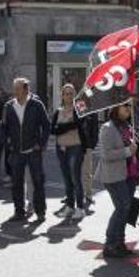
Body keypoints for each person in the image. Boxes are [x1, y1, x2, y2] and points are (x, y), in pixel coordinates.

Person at [2, 77, 52, 223]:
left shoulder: (36, 104)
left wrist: (41, 143)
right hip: (17, 151)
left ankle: (40, 212)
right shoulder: (8, 106)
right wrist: (8, 144)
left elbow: (46, 125)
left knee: (38, 181)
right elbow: (3, 128)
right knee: (16, 183)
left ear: (25, 89)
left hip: (33, 150)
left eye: (17, 88)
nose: (14, 91)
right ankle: (19, 212)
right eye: (14, 88)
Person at [98, 103, 139, 257]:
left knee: (125, 209)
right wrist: (128, 151)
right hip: (114, 176)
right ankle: (110, 243)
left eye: (129, 107)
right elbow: (106, 154)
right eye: (125, 107)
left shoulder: (128, 126)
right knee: (122, 208)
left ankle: (120, 243)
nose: (128, 110)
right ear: (115, 108)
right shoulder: (108, 128)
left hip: (130, 174)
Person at [50, 84, 88, 220]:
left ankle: (80, 208)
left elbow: (80, 124)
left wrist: (62, 127)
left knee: (75, 178)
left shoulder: (80, 107)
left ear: (75, 95)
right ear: (62, 95)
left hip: (76, 147)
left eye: (71, 93)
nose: (69, 96)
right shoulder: (58, 111)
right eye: (66, 93)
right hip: (61, 148)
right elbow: (53, 130)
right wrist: (68, 125)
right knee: (67, 179)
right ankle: (70, 206)